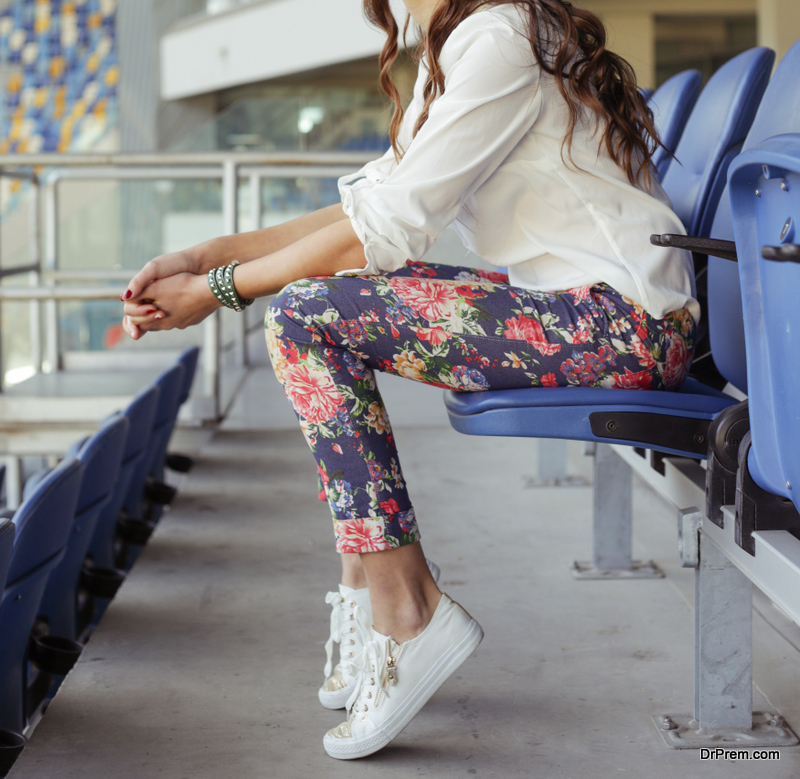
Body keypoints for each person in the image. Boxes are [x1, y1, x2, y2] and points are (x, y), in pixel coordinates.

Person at [121, 0, 698, 760]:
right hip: (581, 314)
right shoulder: (456, 46)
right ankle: (368, 594)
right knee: (307, 309)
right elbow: (365, 208)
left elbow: (385, 231)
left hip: (625, 327)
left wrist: (222, 288)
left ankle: (406, 609)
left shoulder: (503, 37)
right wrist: (204, 257)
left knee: (305, 316)